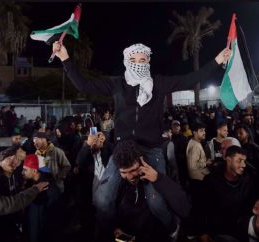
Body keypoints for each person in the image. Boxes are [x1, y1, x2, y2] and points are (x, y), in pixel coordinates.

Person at [53, 41, 230, 235]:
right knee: (103, 199)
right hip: (123, 149)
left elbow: (189, 79)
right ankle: (110, 232)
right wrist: (65, 58)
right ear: (126, 61)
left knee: (156, 202)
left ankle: (173, 229)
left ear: (148, 61)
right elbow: (84, 84)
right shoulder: (116, 83)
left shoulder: (159, 83)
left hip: (151, 149)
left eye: (142, 60)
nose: (138, 63)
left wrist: (218, 60)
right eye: (133, 60)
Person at [106, 140, 190, 242]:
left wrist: (158, 179)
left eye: (133, 170)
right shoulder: (118, 184)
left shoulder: (164, 174)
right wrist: (118, 229)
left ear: (141, 160)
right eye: (124, 172)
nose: (130, 177)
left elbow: (185, 209)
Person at [198, 146, 259, 242]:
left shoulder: (250, 180)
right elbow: (201, 207)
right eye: (239, 160)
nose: (243, 165)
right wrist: (202, 231)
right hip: (218, 233)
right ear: (228, 160)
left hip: (241, 233)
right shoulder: (211, 181)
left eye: (244, 161)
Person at [0, 146, 25, 242]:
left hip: (11, 223)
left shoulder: (12, 174)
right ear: (0, 161)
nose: (13, 163)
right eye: (9, 159)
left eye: (16, 160)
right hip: (0, 228)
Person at [22, 154, 62, 242]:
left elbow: (52, 221)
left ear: (34, 171)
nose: (22, 172)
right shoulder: (31, 184)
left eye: (25, 170)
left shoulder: (49, 190)